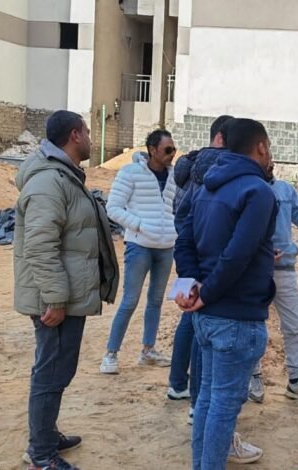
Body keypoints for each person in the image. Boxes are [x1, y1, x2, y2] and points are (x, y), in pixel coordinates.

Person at [15, 110, 119, 470]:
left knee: (56, 370)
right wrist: (56, 298)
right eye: (87, 131)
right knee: (52, 372)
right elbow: (40, 246)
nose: (90, 138)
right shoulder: (50, 181)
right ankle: (41, 454)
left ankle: (46, 434)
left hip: (66, 294)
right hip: (55, 299)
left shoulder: (64, 175)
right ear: (75, 135)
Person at [175, 118, 276, 470]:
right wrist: (207, 292)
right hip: (236, 316)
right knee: (222, 404)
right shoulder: (258, 191)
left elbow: (185, 240)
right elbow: (238, 253)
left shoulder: (206, 186)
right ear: (260, 147)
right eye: (269, 148)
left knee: (207, 399)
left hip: (207, 316)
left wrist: (191, 286)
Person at [99, 129, 178, 374]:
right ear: (152, 150)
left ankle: (148, 350)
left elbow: (177, 207)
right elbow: (113, 208)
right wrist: (140, 225)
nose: (172, 154)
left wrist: (174, 231)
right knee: (130, 301)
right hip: (139, 246)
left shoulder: (175, 176)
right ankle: (111, 354)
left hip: (166, 247)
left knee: (156, 301)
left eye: (174, 149)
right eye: (167, 150)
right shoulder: (130, 173)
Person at [248, 165, 298, 405]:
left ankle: (295, 380)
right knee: (254, 325)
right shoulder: (248, 189)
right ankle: (253, 376)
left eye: (270, 156)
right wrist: (261, 255)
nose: (269, 161)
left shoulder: (285, 189)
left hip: (285, 271)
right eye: (264, 155)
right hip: (256, 271)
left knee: (294, 326)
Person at [168, 114, 233, 400]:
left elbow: (180, 212)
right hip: (204, 256)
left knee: (190, 320)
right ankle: (196, 397)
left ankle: (178, 384)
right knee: (199, 323)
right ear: (220, 138)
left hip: (187, 252)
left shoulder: (191, 167)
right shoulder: (214, 170)